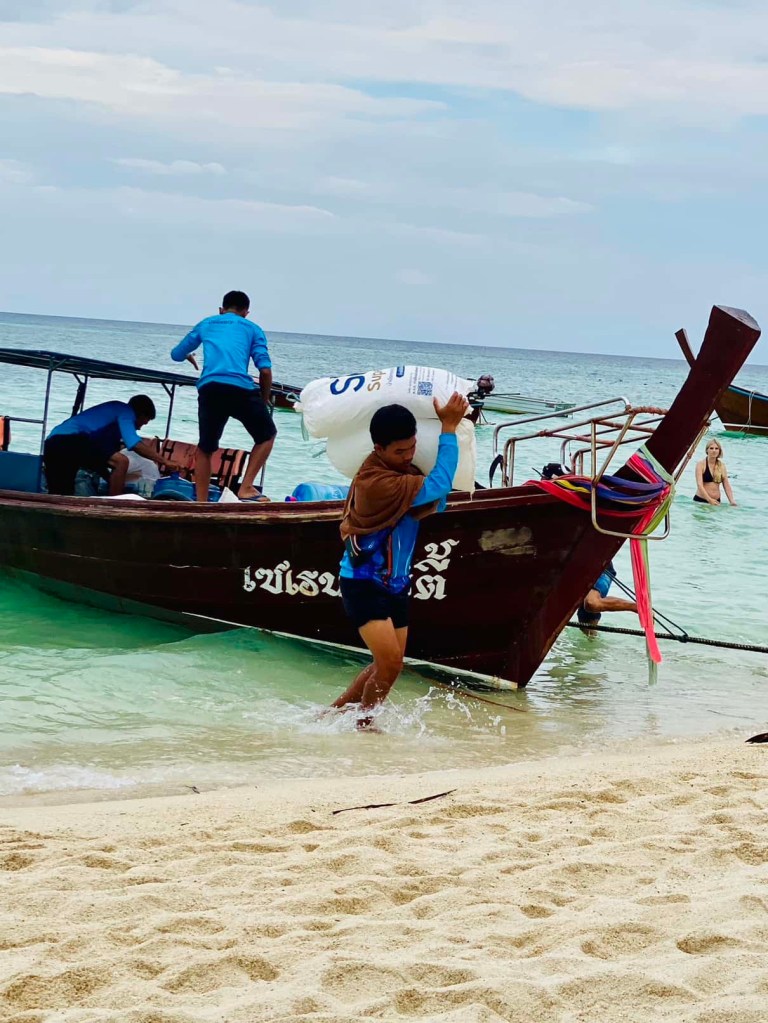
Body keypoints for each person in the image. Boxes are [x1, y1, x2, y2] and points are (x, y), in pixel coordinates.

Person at [331, 393, 469, 730]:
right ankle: (365, 725)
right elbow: (439, 485)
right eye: (399, 452)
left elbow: (434, 495)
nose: (408, 456)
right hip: (363, 582)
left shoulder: (406, 476)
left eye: (412, 448)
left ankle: (334, 714)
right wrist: (449, 428)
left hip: (396, 584)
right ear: (378, 449)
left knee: (387, 663)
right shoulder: (375, 483)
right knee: (391, 664)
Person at [171, 290, 276, 502]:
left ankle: (202, 503)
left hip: (210, 389)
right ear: (246, 313)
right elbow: (265, 371)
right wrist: (263, 401)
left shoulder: (207, 323)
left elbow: (176, 354)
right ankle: (246, 487)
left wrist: (189, 356)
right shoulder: (253, 328)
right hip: (240, 390)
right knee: (267, 435)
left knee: (205, 448)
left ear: (221, 310)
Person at [43, 395, 177, 496]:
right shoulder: (126, 411)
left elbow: (100, 461)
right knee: (122, 461)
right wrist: (165, 461)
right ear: (140, 414)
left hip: (52, 443)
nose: (139, 428)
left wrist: (112, 480)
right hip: (70, 440)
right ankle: (115, 504)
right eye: (142, 423)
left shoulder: (109, 425)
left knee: (60, 493)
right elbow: (135, 444)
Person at [577, 561, 637, 630]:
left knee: (592, 603)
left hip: (599, 568)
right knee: (585, 628)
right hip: (573, 567)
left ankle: (636, 607)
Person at [693, 438, 736, 506]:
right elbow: (699, 485)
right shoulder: (700, 464)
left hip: (716, 501)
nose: (714, 450)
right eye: (711, 448)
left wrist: (732, 501)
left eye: (716, 448)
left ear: (719, 451)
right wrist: (709, 500)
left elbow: (726, 485)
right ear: (707, 450)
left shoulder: (722, 466)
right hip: (701, 500)